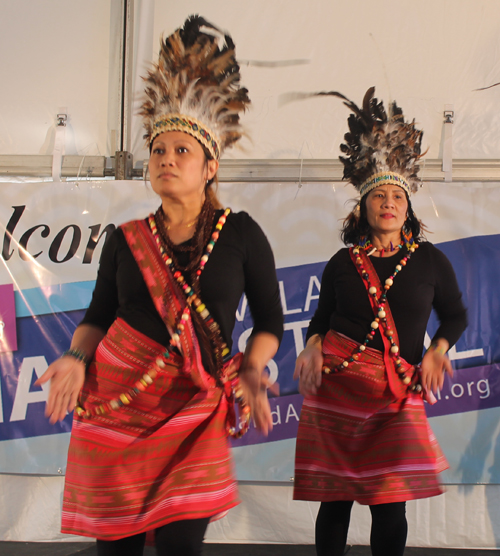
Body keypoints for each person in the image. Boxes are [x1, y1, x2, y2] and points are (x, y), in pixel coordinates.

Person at [36, 16, 283, 556]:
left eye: (181, 151)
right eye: (158, 151)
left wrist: (252, 366)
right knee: (117, 547)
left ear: (210, 165)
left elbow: (269, 321)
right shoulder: (127, 240)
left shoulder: (240, 233)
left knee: (180, 544)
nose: (166, 159)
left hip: (195, 409)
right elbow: (98, 316)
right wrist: (77, 358)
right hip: (119, 404)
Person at [293, 87, 467, 556]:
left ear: (407, 207)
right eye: (379, 195)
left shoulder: (430, 261)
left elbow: (455, 315)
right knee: (336, 502)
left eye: (396, 195)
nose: (388, 202)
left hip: (395, 396)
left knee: (390, 505)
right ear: (363, 206)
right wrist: (311, 346)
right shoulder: (341, 262)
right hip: (337, 390)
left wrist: (436, 350)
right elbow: (320, 318)